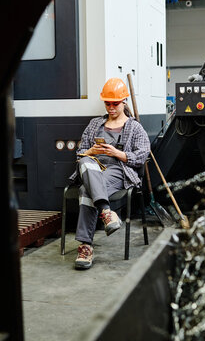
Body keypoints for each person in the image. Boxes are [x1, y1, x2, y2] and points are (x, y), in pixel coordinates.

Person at [68, 77, 150, 269]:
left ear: (124, 102)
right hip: (92, 168)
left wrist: (117, 153)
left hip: (118, 171)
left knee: (85, 191)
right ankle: (106, 212)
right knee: (87, 162)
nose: (111, 107)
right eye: (108, 103)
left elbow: (142, 155)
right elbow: (80, 154)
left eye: (115, 104)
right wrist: (91, 152)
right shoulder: (95, 124)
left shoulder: (134, 127)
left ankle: (85, 246)